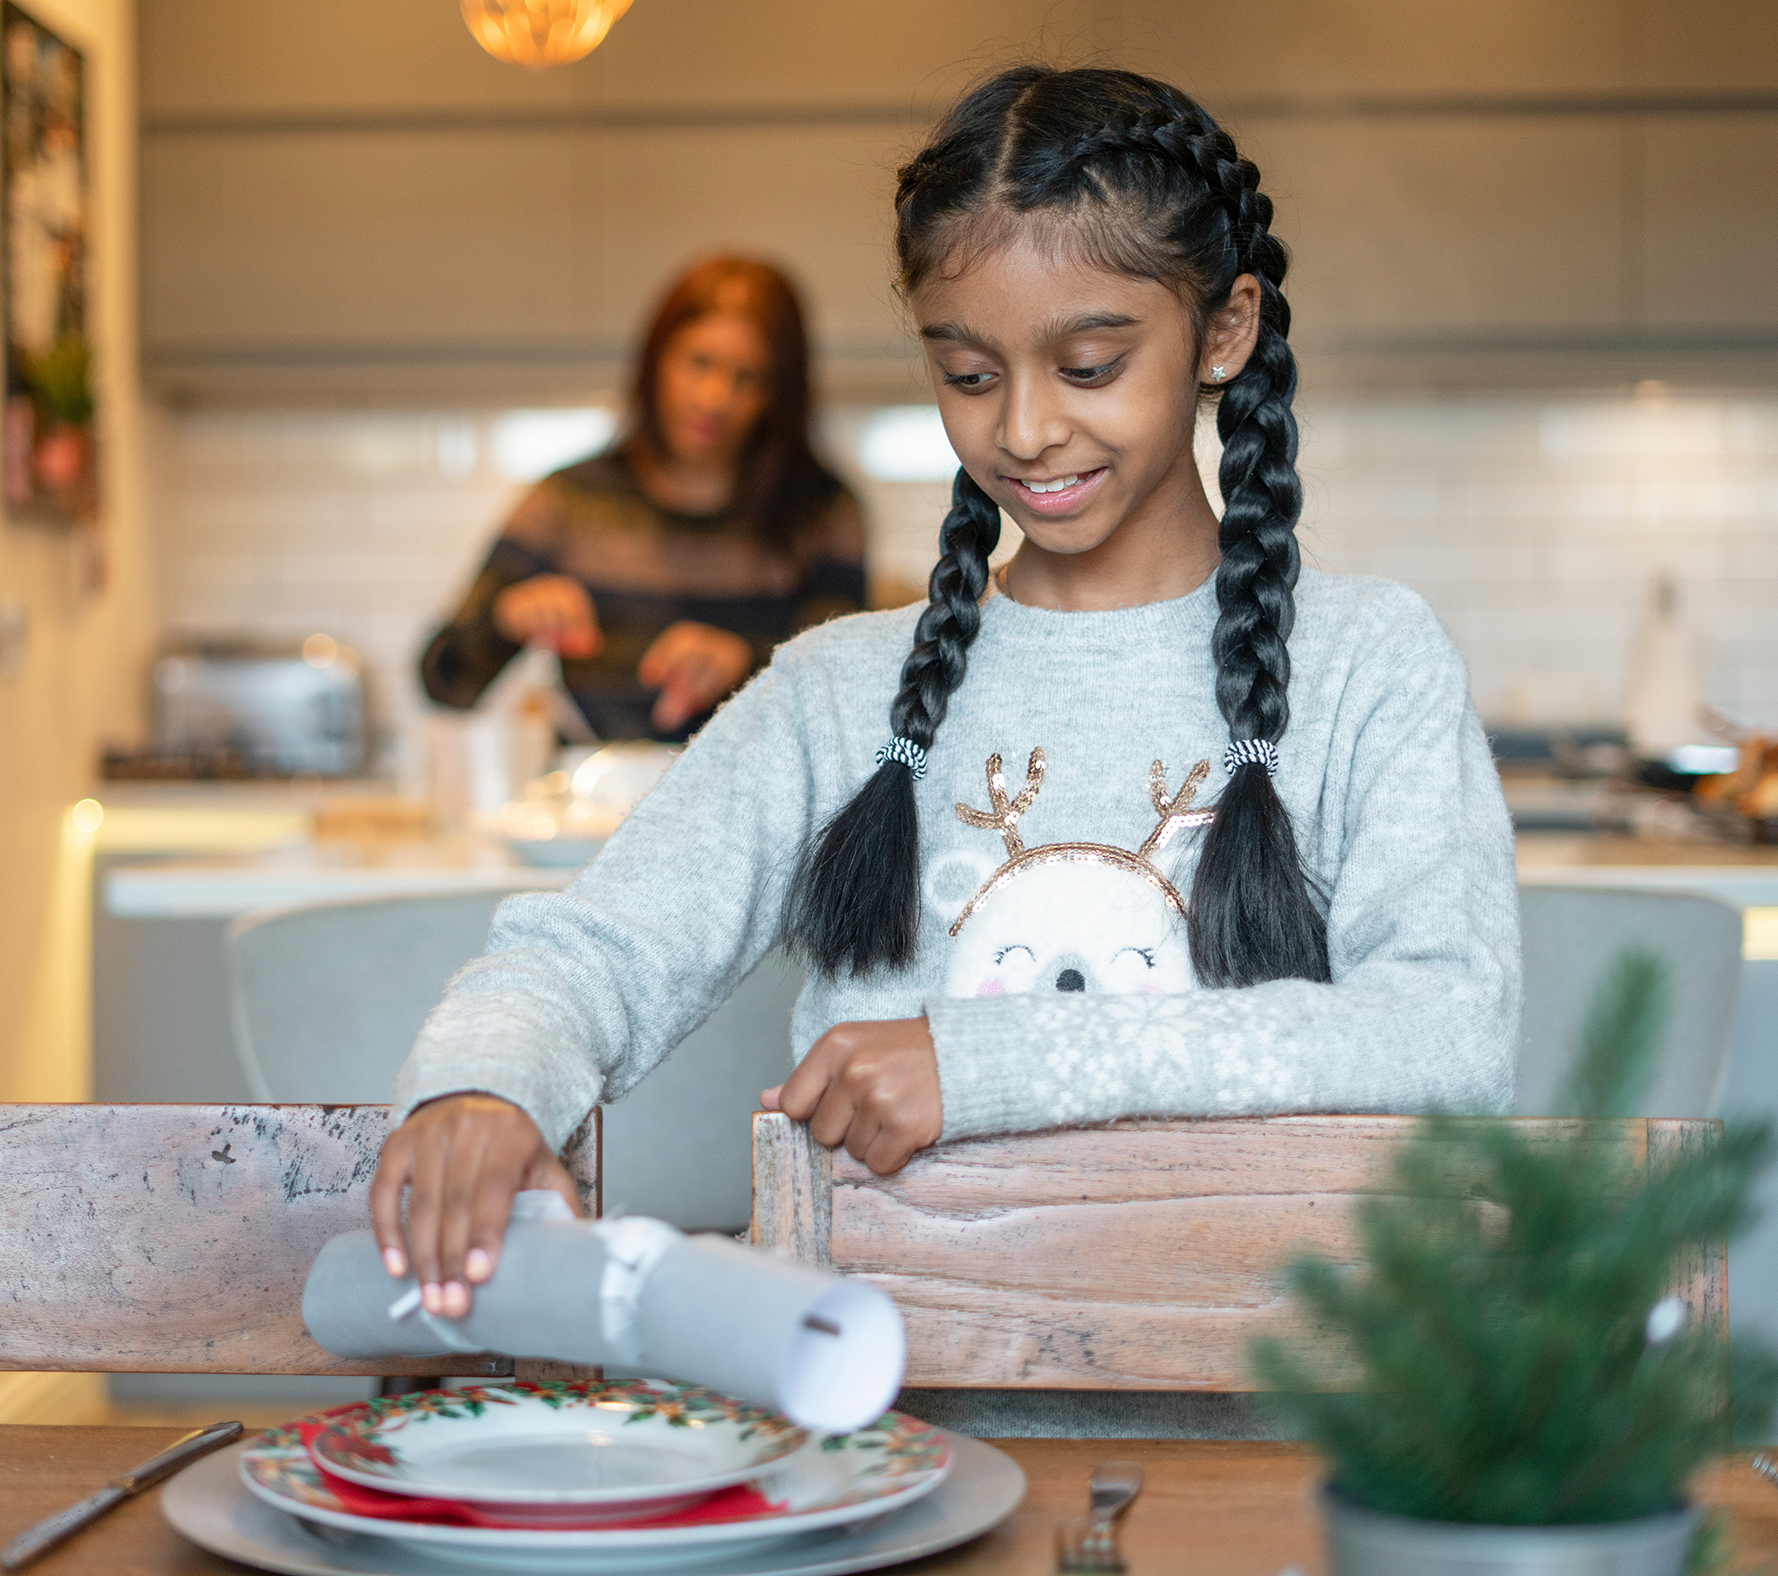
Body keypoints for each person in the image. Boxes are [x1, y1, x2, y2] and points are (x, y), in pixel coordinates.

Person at [375, 66, 1521, 1319]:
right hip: (885, 1426)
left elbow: (1445, 1037)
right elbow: (583, 960)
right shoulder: (837, 691)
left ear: (1226, 330)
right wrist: (479, 1088)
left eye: (1088, 364)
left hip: (1263, 1422)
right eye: (970, 375)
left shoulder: (1368, 661)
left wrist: (981, 1062)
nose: (1024, 430)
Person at [420, 256, 868, 742]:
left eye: (749, 379)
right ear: (656, 358)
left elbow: (847, 691)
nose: (715, 397)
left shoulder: (822, 513)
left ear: (778, 395)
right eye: (699, 363)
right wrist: (505, 618)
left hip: (758, 809)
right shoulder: (567, 501)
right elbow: (441, 684)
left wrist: (750, 663)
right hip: (589, 807)